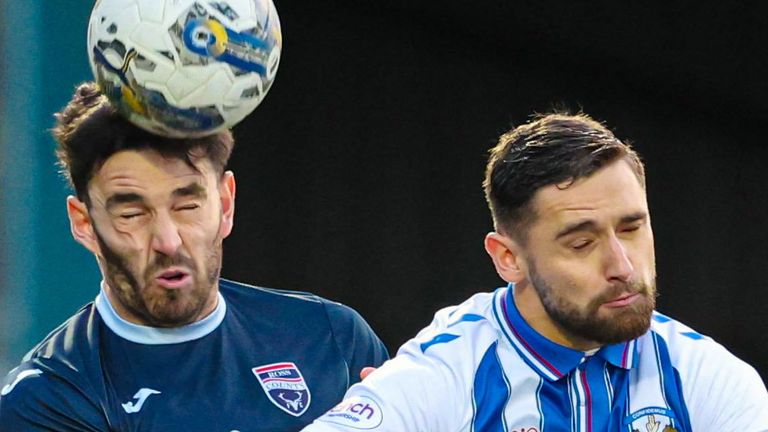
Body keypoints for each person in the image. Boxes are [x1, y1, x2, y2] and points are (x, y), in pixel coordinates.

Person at [301, 112, 768, 431]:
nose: (623, 266)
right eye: (581, 243)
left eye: (631, 228)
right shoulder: (446, 372)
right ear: (508, 258)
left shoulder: (709, 377)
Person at [0, 82, 388, 432]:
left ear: (225, 203)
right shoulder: (47, 401)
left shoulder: (331, 339)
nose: (168, 241)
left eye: (187, 206)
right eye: (132, 214)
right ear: (84, 224)